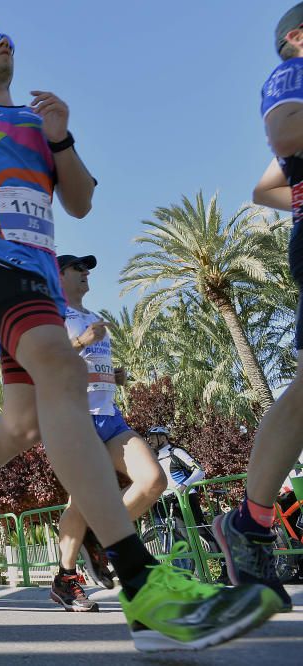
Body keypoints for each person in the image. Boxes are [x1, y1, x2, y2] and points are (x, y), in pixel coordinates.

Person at [0, 26, 280, 650]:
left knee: (23, 426)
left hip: (41, 276)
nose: (5, 42)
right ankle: (141, 584)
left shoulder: (39, 118)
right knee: (66, 375)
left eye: (10, 36)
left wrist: (62, 137)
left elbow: (81, 202)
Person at [213, 3, 303, 616]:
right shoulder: (291, 74)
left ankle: (248, 521)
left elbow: (267, 183)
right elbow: (286, 134)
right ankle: (249, 520)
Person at [51, 255, 168, 613]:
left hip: (110, 416)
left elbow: (86, 368)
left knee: (153, 481)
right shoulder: (52, 315)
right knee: (81, 502)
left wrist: (111, 375)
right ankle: (66, 579)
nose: (86, 274)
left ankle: (101, 537)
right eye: (77, 269)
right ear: (58, 276)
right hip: (75, 419)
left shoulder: (93, 319)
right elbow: (46, 360)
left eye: (87, 269)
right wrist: (82, 343)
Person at [147, 427, 219, 553]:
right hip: (169, 500)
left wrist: (184, 485)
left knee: (200, 531)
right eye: (149, 438)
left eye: (152, 437)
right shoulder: (155, 458)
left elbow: (200, 471)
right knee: (184, 537)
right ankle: (197, 569)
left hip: (186, 496)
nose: (149, 440)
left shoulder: (176, 452)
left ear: (163, 438)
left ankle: (225, 564)